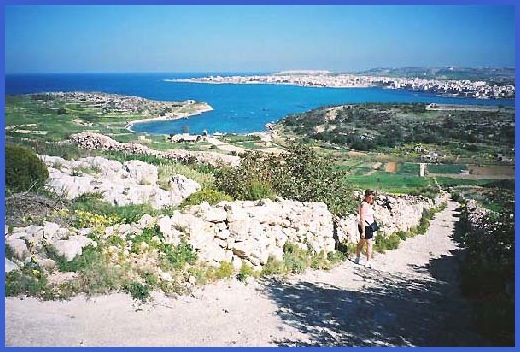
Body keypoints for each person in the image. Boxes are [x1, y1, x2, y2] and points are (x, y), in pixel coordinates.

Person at [355, 189, 377, 268]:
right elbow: (362, 219)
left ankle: (357, 257)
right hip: (365, 227)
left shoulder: (368, 204)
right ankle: (368, 261)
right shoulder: (364, 205)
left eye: (372, 198)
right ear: (366, 196)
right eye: (370, 197)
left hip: (369, 226)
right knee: (369, 243)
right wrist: (363, 231)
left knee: (362, 242)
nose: (371, 199)